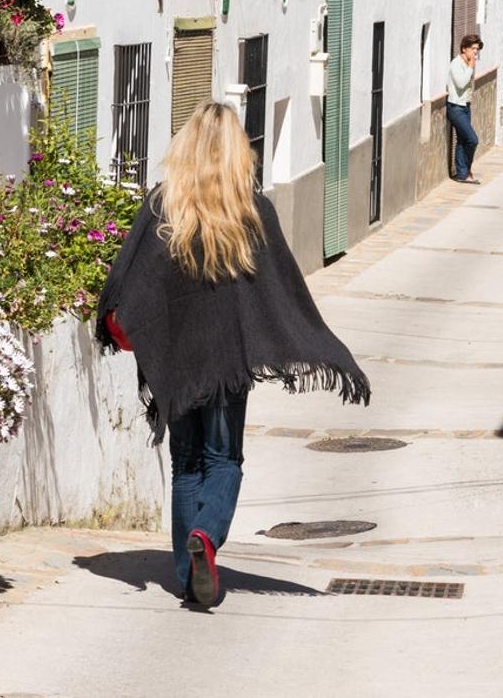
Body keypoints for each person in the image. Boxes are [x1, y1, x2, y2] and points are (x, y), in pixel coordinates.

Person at [96, 101, 370, 609]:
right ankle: (206, 535)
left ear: (185, 148)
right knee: (224, 460)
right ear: (238, 154)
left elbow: (124, 287)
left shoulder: (161, 207)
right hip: (227, 364)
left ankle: (188, 574)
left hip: (177, 367)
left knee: (185, 464)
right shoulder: (253, 211)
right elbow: (281, 291)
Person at [447, 33, 483, 183]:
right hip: (455, 107)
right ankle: (465, 171)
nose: (475, 52)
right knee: (472, 139)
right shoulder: (456, 64)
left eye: (477, 49)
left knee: (462, 140)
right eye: (473, 49)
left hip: (465, 106)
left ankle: (462, 174)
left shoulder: (466, 64)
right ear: (464, 49)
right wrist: (470, 67)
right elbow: (461, 83)